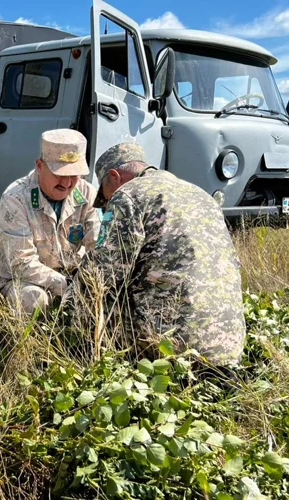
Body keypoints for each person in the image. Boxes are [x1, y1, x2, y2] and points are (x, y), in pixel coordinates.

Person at [74, 141, 246, 366]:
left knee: (100, 296)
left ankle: (92, 363)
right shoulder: (201, 195)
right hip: (229, 346)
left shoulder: (128, 194)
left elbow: (102, 273)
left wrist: (67, 307)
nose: (106, 204)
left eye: (105, 197)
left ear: (114, 177)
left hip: (176, 350)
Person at [0, 129, 100, 315]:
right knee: (34, 300)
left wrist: (90, 282)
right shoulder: (15, 199)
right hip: (26, 281)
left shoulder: (87, 193)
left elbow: (98, 245)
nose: (67, 183)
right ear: (40, 166)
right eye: (59, 173)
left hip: (72, 278)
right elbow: (20, 263)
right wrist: (68, 286)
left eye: (74, 175)